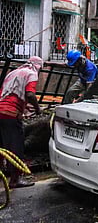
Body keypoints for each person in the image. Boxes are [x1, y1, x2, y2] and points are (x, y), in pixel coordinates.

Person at [0, 56, 44, 188]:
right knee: (15, 147)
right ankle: (15, 180)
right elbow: (30, 95)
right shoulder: (31, 74)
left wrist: (23, 109)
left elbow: (11, 93)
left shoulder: (13, 73)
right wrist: (37, 109)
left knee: (1, 145)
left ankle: (2, 171)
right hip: (10, 114)